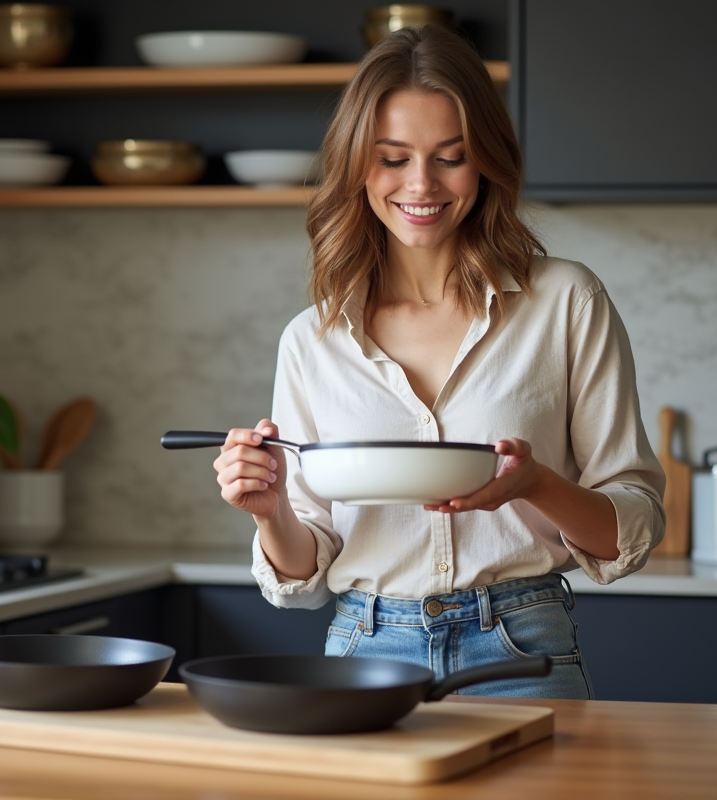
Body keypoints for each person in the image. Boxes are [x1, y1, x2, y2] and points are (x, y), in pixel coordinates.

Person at [210, 25, 665, 700]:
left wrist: (533, 483)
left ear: (486, 161)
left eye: (450, 157)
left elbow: (634, 526)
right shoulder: (313, 339)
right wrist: (268, 510)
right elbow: (303, 571)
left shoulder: (567, 300)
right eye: (392, 158)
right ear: (357, 165)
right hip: (366, 648)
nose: (420, 184)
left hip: (520, 645)